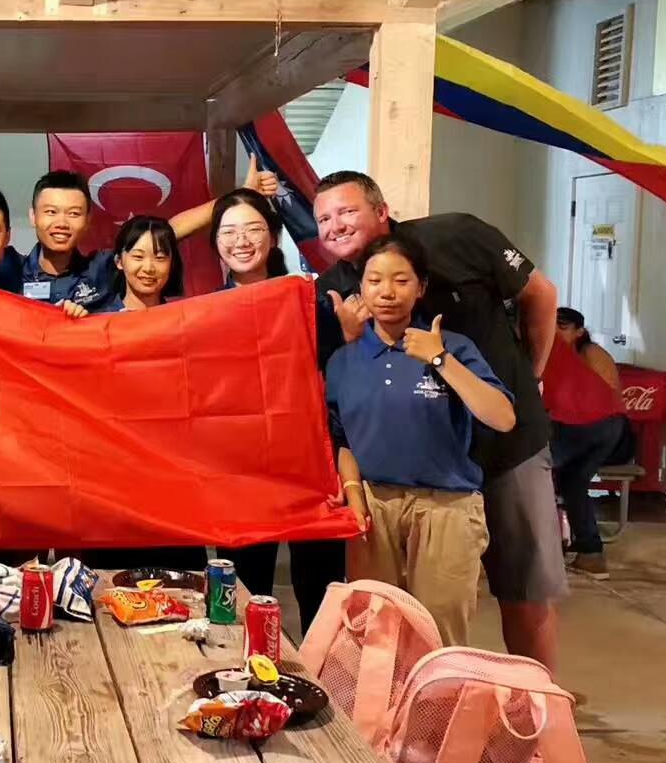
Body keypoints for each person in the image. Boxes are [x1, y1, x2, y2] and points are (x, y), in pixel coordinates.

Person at [313, 171, 565, 672]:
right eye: (323, 218)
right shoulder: (335, 290)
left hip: (505, 446)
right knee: (397, 612)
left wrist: (529, 378)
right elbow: (347, 396)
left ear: (381, 211)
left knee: (523, 587)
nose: (335, 225)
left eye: (346, 211)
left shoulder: (457, 235)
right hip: (419, 469)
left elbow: (540, 295)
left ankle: (537, 701)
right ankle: (407, 703)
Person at [327, 233, 516, 645]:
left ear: (421, 288)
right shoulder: (344, 360)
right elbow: (342, 439)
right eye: (374, 281)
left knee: (438, 634)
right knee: (373, 633)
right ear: (361, 289)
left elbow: (502, 417)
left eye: (401, 280)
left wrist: (439, 359)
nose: (387, 292)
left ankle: (437, 690)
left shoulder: (454, 347)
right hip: (374, 506)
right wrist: (354, 494)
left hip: (445, 507)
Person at [0, 129, 271, 307]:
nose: (61, 222)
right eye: (51, 212)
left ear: (88, 221)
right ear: (33, 217)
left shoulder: (102, 269)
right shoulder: (8, 267)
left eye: (73, 213)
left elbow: (166, 231)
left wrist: (240, 197)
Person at [206, 187, 345, 633]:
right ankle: (243, 668)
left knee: (319, 587)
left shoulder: (308, 301)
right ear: (215, 242)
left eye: (253, 229)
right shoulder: (205, 312)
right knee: (242, 586)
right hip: (240, 469)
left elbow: (336, 384)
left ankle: (323, 673)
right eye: (229, 232)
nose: (241, 241)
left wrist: (340, 465)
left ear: (273, 235)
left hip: (307, 463)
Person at [542, 307, 631, 579]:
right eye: (554, 325)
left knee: (532, 472)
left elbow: (595, 399)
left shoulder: (587, 352)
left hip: (591, 425)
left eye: (563, 327)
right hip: (606, 428)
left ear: (580, 331)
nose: (557, 331)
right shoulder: (566, 352)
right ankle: (591, 554)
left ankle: (543, 552)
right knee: (573, 481)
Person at [62, 215, 183, 315]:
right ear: (119, 261)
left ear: (172, 263)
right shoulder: (99, 321)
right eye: (138, 257)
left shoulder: (180, 320)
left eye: (160, 258)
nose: (148, 268)